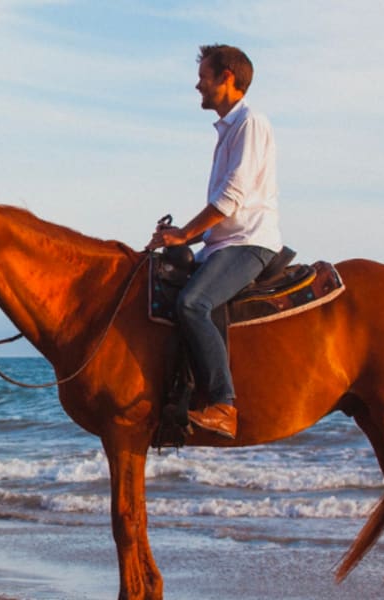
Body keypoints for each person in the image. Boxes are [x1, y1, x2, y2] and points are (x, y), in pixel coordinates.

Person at [146, 45, 283, 440]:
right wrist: (183, 239)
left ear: (226, 77)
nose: (197, 85)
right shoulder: (228, 130)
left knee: (193, 303)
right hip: (224, 243)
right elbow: (224, 209)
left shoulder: (251, 123)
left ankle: (224, 404)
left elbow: (231, 197)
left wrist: (186, 233)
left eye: (204, 77)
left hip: (249, 243)